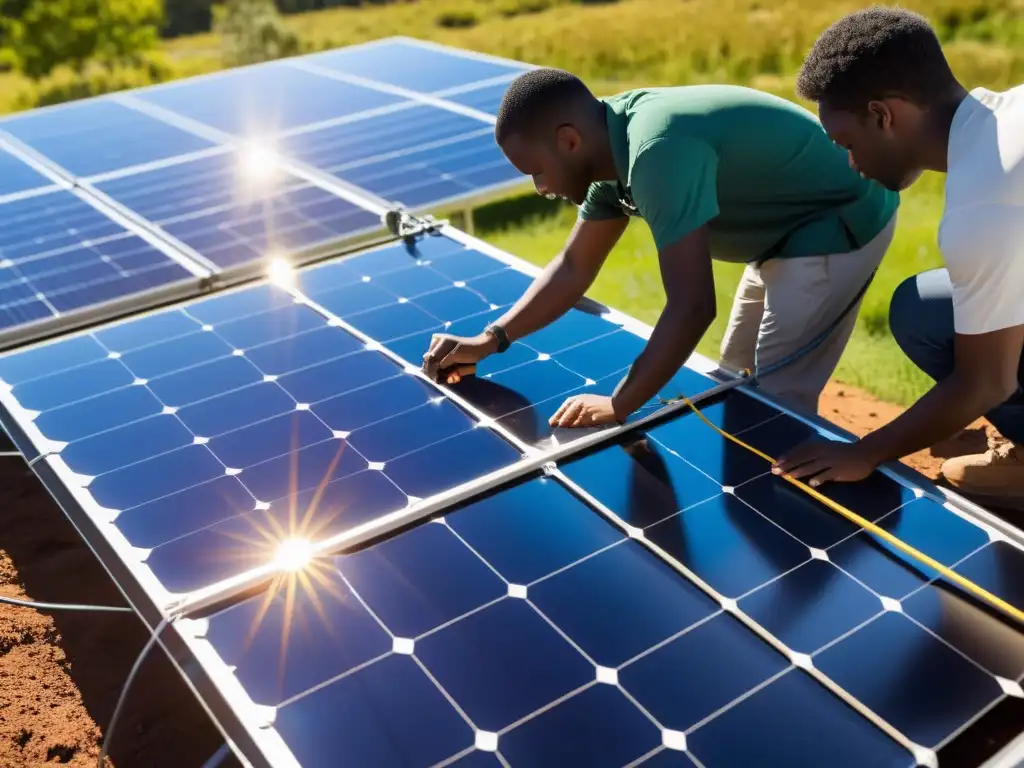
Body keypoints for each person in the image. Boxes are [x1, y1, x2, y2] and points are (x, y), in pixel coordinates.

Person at [421, 68, 899, 428]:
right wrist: (492, 338)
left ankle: (804, 533)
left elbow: (692, 306)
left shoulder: (656, 150)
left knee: (776, 402)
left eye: (535, 171)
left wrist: (620, 404)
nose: (540, 187)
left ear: (568, 140)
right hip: (781, 232)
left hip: (839, 218)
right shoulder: (606, 146)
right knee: (735, 377)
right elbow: (572, 267)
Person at [773, 7, 1024, 510]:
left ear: (884, 115)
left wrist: (867, 452)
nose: (852, 162)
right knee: (926, 305)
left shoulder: (984, 203)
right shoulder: (1012, 110)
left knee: (941, 326)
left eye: (847, 142)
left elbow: (985, 380)